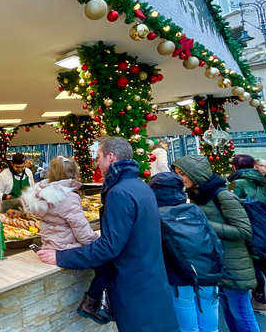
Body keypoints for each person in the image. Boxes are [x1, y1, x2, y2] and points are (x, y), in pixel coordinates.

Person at [37, 137, 178, 332]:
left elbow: (108, 247)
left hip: (133, 286)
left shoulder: (119, 193)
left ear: (110, 157)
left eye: (98, 157)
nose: (96, 163)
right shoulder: (141, 186)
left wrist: (61, 256)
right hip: (151, 280)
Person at [171, 155, 260, 332]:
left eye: (183, 173)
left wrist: (204, 224)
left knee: (242, 312)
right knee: (229, 310)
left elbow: (243, 230)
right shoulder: (196, 195)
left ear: (195, 173)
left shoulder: (222, 195)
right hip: (218, 262)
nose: (180, 178)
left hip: (235, 263)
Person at [21, 156, 113, 325]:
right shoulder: (68, 198)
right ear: (73, 174)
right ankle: (90, 303)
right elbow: (82, 232)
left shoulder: (41, 194)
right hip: (67, 248)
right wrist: (97, 243)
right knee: (106, 266)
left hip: (51, 244)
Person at [150, 172, 220, 332]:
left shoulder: (156, 215)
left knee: (187, 328)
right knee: (211, 328)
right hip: (208, 273)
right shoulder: (194, 209)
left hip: (179, 279)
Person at [227, 154, 266, 311]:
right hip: (265, 223)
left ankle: (259, 299)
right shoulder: (261, 180)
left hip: (249, 224)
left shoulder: (237, 183)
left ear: (235, 166)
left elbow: (232, 204)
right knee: (263, 263)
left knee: (255, 262)